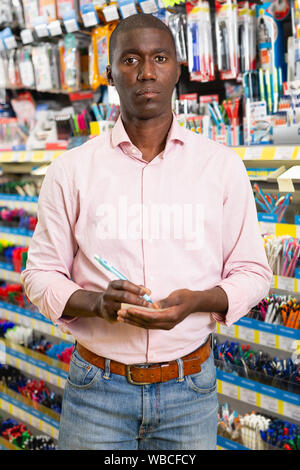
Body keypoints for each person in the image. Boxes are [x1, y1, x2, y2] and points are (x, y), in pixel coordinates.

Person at [22, 13, 272, 450]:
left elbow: (253, 271)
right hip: (96, 388)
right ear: (110, 72)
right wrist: (97, 304)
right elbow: (40, 275)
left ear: (178, 68)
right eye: (131, 59)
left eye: (159, 57)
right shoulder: (71, 171)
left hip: (189, 388)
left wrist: (198, 302)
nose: (146, 72)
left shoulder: (221, 166)